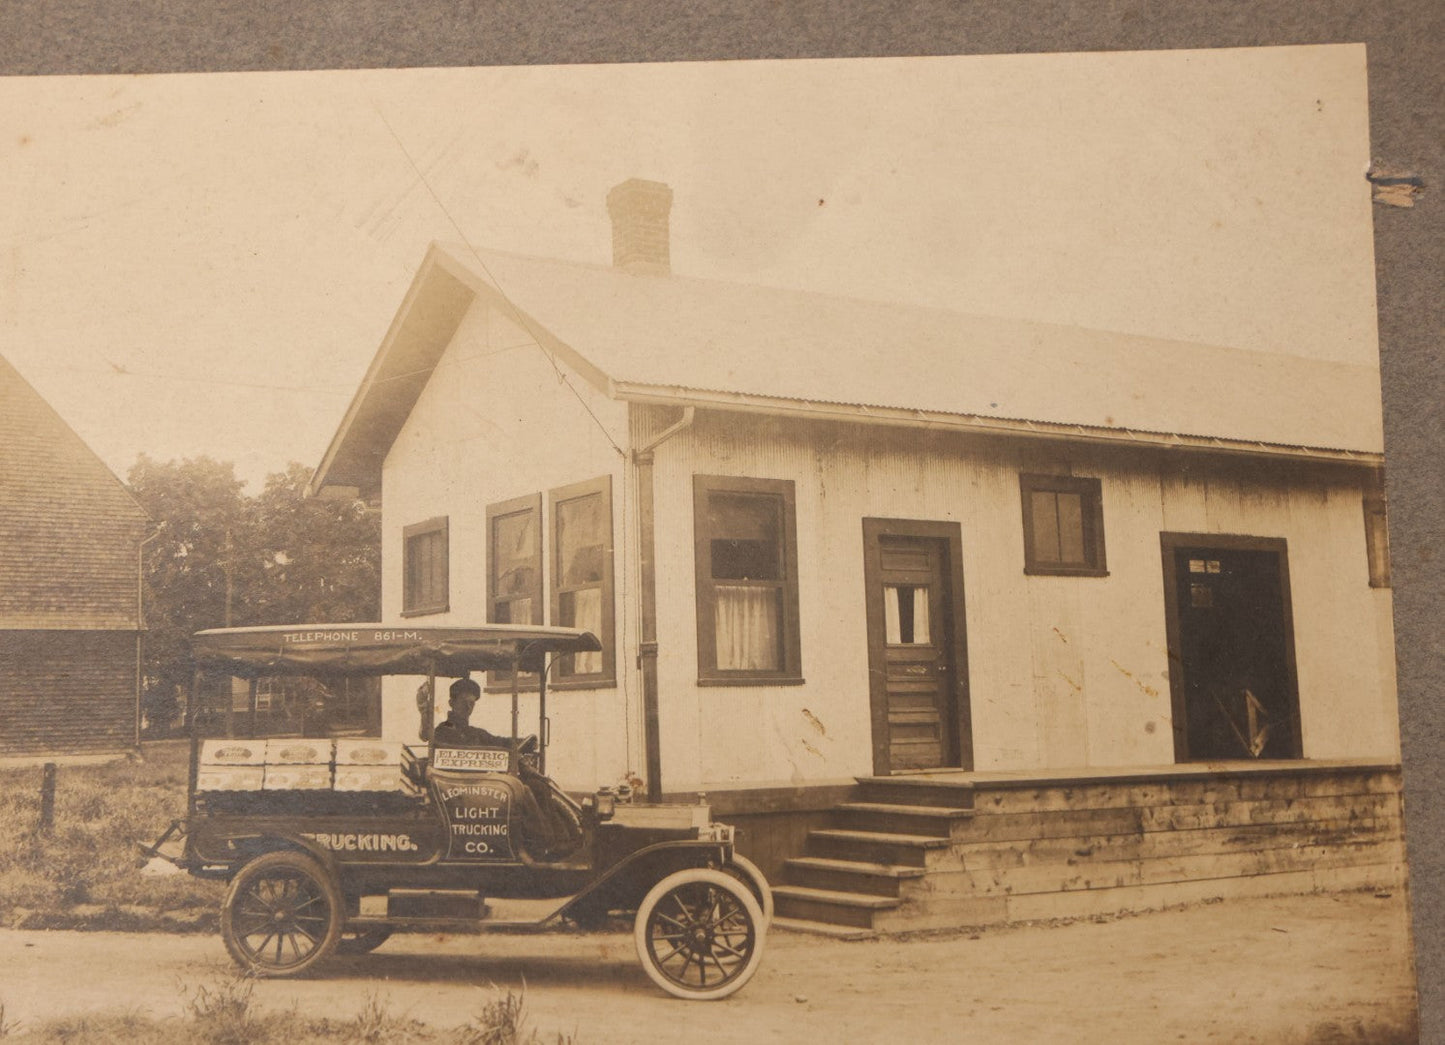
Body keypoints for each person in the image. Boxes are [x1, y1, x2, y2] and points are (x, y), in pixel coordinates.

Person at [430, 677, 509, 748]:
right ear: (451, 703)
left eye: (471, 703)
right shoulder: (443, 730)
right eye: (463, 702)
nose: (468, 707)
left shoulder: (476, 733)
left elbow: (500, 742)